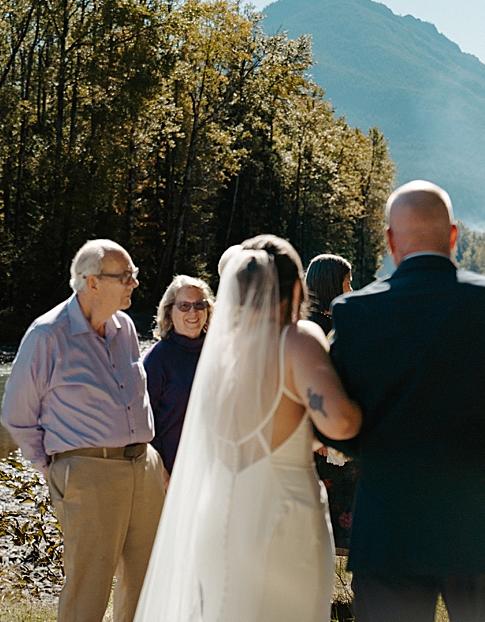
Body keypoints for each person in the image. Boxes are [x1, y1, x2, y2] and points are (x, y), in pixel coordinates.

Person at [319, 180, 485, 622]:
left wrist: (368, 451)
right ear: (453, 235)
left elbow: (332, 421)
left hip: (389, 522)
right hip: (482, 519)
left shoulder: (355, 312)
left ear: (390, 241)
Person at [134, 235, 363, 621]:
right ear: (293, 288)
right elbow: (339, 422)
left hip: (218, 515)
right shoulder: (297, 338)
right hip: (282, 519)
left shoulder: (218, 352)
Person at [1, 239, 164, 622]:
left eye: (133, 275)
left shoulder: (124, 327)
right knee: (88, 584)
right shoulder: (47, 334)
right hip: (88, 472)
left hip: (144, 465)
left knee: (146, 578)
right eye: (125, 276)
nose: (134, 283)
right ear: (91, 282)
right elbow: (17, 416)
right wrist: (57, 467)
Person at [304, 253, 358, 552]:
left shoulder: (343, 321)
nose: (351, 289)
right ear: (330, 286)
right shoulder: (309, 329)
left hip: (338, 430)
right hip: (318, 438)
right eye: (347, 283)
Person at [144, 275, 214, 479]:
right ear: (169, 311)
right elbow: (141, 423)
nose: (193, 312)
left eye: (199, 304)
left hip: (212, 472)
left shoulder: (217, 352)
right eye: (184, 306)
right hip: (171, 474)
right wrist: (160, 471)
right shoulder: (158, 358)